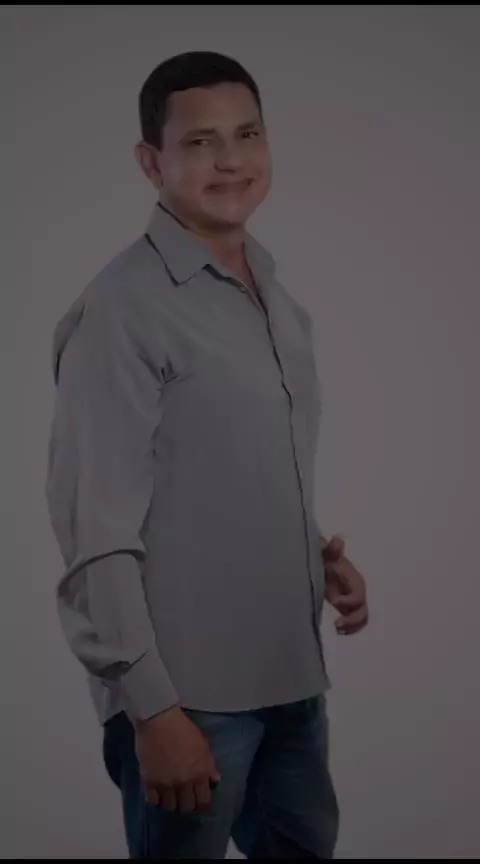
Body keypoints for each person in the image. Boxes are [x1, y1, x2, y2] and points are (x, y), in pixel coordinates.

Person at [45, 50, 369, 860]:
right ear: (150, 162)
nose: (231, 160)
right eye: (199, 142)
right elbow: (95, 529)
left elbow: (229, 466)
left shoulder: (275, 297)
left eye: (247, 134)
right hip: (189, 700)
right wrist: (153, 709)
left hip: (292, 680)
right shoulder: (123, 309)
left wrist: (312, 553)